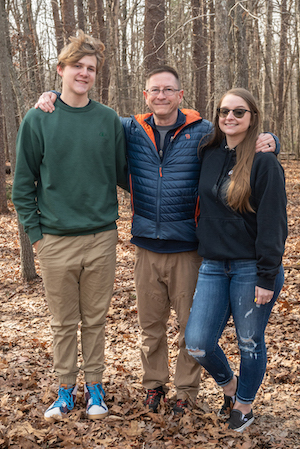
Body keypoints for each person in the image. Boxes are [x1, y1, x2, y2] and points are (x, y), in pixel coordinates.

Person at [34, 68, 279, 416]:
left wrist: (271, 138)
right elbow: (88, 116)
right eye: (154, 90)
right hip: (146, 245)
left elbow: (239, 136)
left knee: (187, 329)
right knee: (150, 327)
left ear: (181, 95)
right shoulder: (129, 129)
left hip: (189, 248)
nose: (161, 95)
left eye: (169, 90)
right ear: (145, 95)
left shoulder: (204, 132)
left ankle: (185, 391)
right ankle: (154, 386)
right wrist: (53, 95)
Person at [12, 31, 127, 422]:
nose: (85, 73)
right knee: (63, 322)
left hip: (101, 238)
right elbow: (22, 184)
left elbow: (130, 171)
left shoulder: (108, 119)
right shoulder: (38, 118)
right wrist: (37, 239)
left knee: (94, 319)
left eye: (91, 68)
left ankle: (95, 387)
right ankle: (65, 390)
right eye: (77, 66)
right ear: (61, 70)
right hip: (55, 241)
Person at [185, 88, 287, 432]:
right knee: (197, 343)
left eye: (239, 112)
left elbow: (274, 224)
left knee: (249, 341)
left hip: (251, 268)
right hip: (213, 265)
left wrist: (266, 276)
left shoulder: (264, 162)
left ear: (252, 117)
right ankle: (230, 388)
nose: (230, 117)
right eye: (224, 111)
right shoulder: (208, 153)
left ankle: (244, 405)